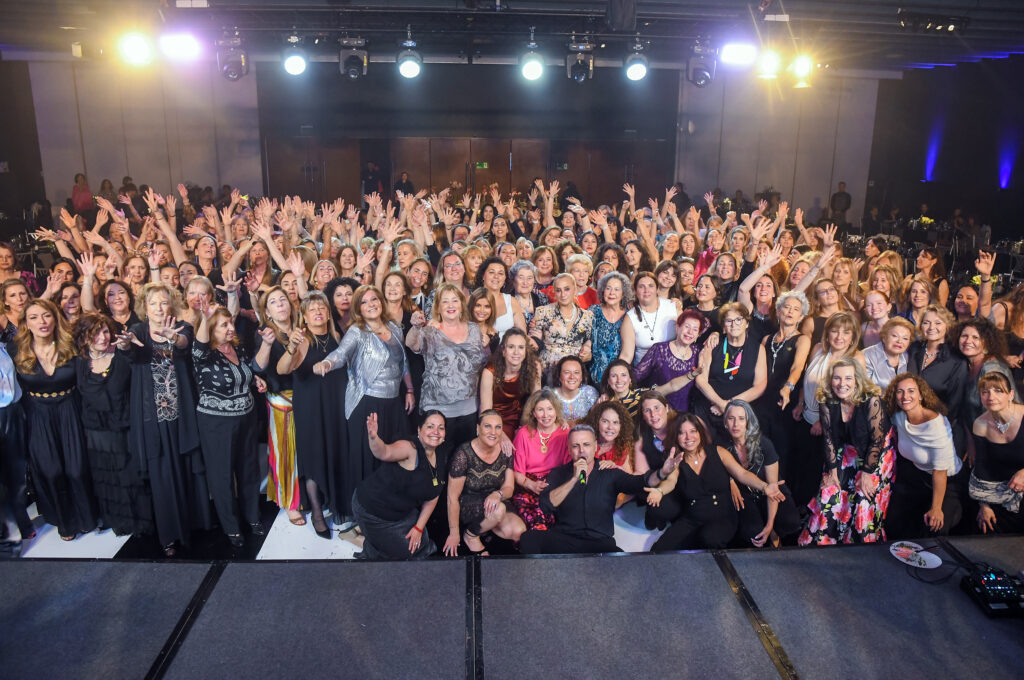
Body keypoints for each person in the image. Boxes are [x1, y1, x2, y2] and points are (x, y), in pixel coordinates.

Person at [119, 283, 213, 556]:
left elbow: (184, 344)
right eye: (153, 303)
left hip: (182, 414)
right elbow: (130, 351)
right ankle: (169, 534)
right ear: (144, 308)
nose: (159, 308)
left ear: (171, 304)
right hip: (154, 417)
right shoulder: (138, 331)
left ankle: (196, 524)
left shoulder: (183, 328)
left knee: (188, 469)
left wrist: (174, 338)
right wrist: (125, 345)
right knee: (162, 475)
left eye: (163, 302)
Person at [315, 286, 415, 530]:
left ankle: (384, 511)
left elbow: (403, 364)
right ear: (358, 308)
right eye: (364, 302)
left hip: (393, 403)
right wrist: (327, 363)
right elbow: (341, 354)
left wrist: (410, 390)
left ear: (381, 302)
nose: (371, 304)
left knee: (391, 460)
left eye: (374, 299)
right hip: (367, 403)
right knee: (366, 461)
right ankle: (362, 516)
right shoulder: (357, 332)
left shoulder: (394, 328)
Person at [518, 424, 681, 555]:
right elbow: (546, 505)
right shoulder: (558, 473)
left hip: (599, 543)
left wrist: (662, 473)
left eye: (586, 445)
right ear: (569, 449)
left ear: (595, 446)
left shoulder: (609, 473)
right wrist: (574, 479)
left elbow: (641, 482)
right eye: (575, 446)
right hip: (565, 539)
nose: (581, 450)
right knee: (529, 539)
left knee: (624, 562)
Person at [11, 299, 96, 541]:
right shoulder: (15, 350)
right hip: (37, 414)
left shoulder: (72, 345)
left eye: (46, 315)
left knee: (77, 469)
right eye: (34, 317)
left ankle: (85, 517)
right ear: (26, 324)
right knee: (51, 471)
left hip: (70, 411)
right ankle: (64, 522)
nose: (42, 322)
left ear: (55, 318)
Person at [651, 413, 786, 551]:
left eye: (693, 431)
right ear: (676, 437)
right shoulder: (677, 461)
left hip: (723, 516)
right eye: (682, 433)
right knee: (658, 550)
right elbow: (670, 481)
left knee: (710, 538)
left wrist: (764, 486)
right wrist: (659, 491)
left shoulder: (718, 452)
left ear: (700, 433)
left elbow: (742, 474)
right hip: (693, 519)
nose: (688, 437)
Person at [799, 358, 896, 546]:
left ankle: (860, 545)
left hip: (878, 453)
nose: (842, 384)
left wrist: (866, 473)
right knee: (830, 491)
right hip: (849, 448)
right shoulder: (826, 399)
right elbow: (828, 439)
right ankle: (824, 542)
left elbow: (877, 441)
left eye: (848, 378)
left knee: (862, 496)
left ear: (857, 380)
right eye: (837, 378)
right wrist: (832, 472)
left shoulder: (871, 400)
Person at [73, 312, 152, 537]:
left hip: (125, 429)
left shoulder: (121, 356)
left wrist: (127, 347)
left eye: (105, 331)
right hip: (96, 433)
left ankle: (141, 522)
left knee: (131, 476)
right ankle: (118, 520)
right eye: (94, 333)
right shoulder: (78, 363)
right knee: (107, 478)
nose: (102, 337)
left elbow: (139, 358)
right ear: (83, 337)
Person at [192, 301, 261, 548]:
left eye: (230, 322)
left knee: (249, 470)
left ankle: (252, 516)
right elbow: (200, 345)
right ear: (211, 329)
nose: (231, 328)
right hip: (217, 424)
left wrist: (256, 380)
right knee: (222, 475)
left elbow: (244, 373)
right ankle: (231, 527)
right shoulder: (203, 354)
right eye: (223, 325)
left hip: (247, 418)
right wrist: (204, 317)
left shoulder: (237, 348)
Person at [277, 291, 346, 537]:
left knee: (336, 451)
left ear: (328, 314)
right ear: (304, 317)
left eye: (322, 308)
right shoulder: (303, 341)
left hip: (335, 405)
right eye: (312, 309)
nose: (318, 312)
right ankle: (317, 512)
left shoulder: (337, 336)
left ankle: (337, 503)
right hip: (311, 409)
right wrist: (291, 347)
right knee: (314, 456)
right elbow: (282, 369)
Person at [353, 411, 449, 560]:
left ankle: (377, 543)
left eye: (441, 428)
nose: (436, 432)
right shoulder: (410, 448)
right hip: (373, 511)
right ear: (419, 430)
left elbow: (434, 495)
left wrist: (418, 528)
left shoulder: (441, 453)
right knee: (408, 552)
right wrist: (374, 438)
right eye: (430, 426)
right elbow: (384, 452)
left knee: (422, 541)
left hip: (401, 511)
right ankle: (371, 548)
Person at [407, 283, 489, 448]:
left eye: (455, 300)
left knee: (464, 459)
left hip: (469, 410)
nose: (451, 305)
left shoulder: (474, 329)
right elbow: (411, 344)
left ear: (462, 305)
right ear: (438, 307)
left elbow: (482, 363)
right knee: (438, 459)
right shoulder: (430, 331)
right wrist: (415, 327)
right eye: (445, 301)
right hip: (437, 412)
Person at [884, 374, 962, 539]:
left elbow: (940, 471)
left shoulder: (936, 424)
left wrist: (936, 508)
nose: (905, 396)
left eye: (911, 391)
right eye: (900, 392)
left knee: (934, 527)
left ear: (921, 395)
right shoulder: (899, 416)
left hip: (947, 482)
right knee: (893, 521)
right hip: (918, 478)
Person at [252, 286, 304, 526]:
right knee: (285, 453)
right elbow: (258, 367)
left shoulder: (302, 328)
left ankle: (308, 496)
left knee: (305, 451)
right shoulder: (265, 334)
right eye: (273, 302)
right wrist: (266, 344)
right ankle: (290, 502)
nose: (280, 303)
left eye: (282, 299)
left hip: (307, 398)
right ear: (267, 312)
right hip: (282, 401)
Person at [719, 400, 801, 547]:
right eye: (731, 418)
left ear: (748, 422)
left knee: (790, 521)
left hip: (772, 491)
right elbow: (725, 472)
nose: (736, 424)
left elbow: (772, 488)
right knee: (752, 532)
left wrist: (770, 526)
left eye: (741, 419)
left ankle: (775, 531)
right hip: (746, 494)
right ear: (725, 423)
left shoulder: (764, 444)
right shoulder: (722, 447)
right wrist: (730, 481)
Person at [444, 411, 526, 556]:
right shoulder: (464, 454)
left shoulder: (506, 450)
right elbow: (452, 498)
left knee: (518, 530)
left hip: (495, 499)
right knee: (498, 510)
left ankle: (487, 526)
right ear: (478, 428)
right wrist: (454, 533)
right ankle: (471, 535)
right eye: (488, 426)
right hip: (469, 502)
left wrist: (498, 494)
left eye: (498, 427)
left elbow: (509, 487)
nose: (493, 432)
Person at [692, 303, 767, 441]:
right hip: (709, 410)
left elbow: (759, 386)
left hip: (739, 414)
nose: (734, 324)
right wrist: (721, 404)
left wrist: (729, 405)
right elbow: (700, 381)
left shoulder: (758, 349)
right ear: (724, 327)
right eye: (729, 321)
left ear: (746, 323)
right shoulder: (711, 345)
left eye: (738, 319)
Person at [969, 372, 1024, 534]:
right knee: (988, 524)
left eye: (998, 391)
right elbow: (983, 469)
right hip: (1000, 491)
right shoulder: (980, 424)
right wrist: (984, 505)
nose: (991, 397)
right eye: (985, 392)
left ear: (1011, 395)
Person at [511, 389, 570, 531]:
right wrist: (530, 484)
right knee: (536, 520)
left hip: (555, 486)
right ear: (533, 412)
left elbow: (571, 470)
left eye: (550, 409)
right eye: (540, 410)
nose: (546, 415)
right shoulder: (523, 434)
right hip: (528, 487)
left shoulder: (566, 433)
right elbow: (517, 472)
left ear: (556, 410)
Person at [633, 310, 706, 411]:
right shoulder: (659, 349)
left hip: (685, 414)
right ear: (677, 327)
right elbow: (636, 376)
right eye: (687, 326)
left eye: (695, 329)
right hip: (657, 411)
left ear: (698, 335)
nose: (690, 332)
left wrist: (715, 334)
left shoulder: (699, 352)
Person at [528, 273, 593, 378]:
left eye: (567, 289)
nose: (563, 294)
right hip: (547, 370)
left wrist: (587, 348)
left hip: (574, 372)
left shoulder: (587, 316)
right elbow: (534, 343)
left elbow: (589, 340)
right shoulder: (542, 312)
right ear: (554, 292)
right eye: (558, 290)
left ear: (575, 289)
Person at [620, 271, 680, 366]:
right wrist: (619, 370)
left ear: (657, 289)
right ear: (635, 291)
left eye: (651, 286)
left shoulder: (673, 307)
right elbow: (627, 355)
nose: (646, 290)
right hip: (644, 369)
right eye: (641, 287)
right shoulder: (630, 317)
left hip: (672, 366)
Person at [588, 271, 631, 384]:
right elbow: (585, 337)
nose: (612, 293)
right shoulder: (593, 311)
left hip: (620, 377)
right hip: (593, 374)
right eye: (608, 288)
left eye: (617, 289)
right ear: (602, 291)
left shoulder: (630, 315)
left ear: (623, 293)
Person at [863, 317, 913, 391]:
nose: (899, 341)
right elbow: (863, 388)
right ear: (884, 337)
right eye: (895, 336)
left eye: (905, 338)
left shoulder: (907, 356)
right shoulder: (866, 356)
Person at [551, 355, 598, 421]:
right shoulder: (550, 396)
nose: (572, 377)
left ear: (582, 376)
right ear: (559, 375)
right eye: (567, 372)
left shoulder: (590, 393)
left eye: (576, 372)